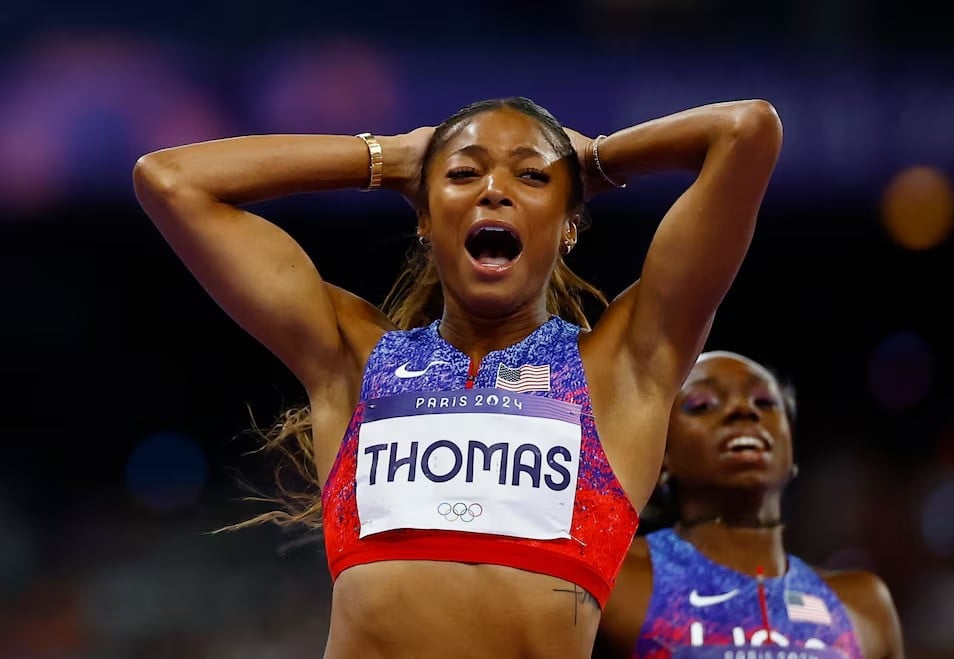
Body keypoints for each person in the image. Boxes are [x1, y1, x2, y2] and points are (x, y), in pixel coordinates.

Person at [132, 96, 782, 658]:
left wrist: (595, 164)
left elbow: (745, 132)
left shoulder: (623, 368)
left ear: (568, 228)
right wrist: (389, 157)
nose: (493, 189)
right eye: (463, 173)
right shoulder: (355, 361)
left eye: (530, 176)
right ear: (424, 218)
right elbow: (171, 180)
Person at [594, 351, 904, 659]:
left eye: (765, 403)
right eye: (703, 404)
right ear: (661, 453)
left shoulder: (863, 606)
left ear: (791, 450)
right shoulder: (613, 579)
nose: (743, 410)